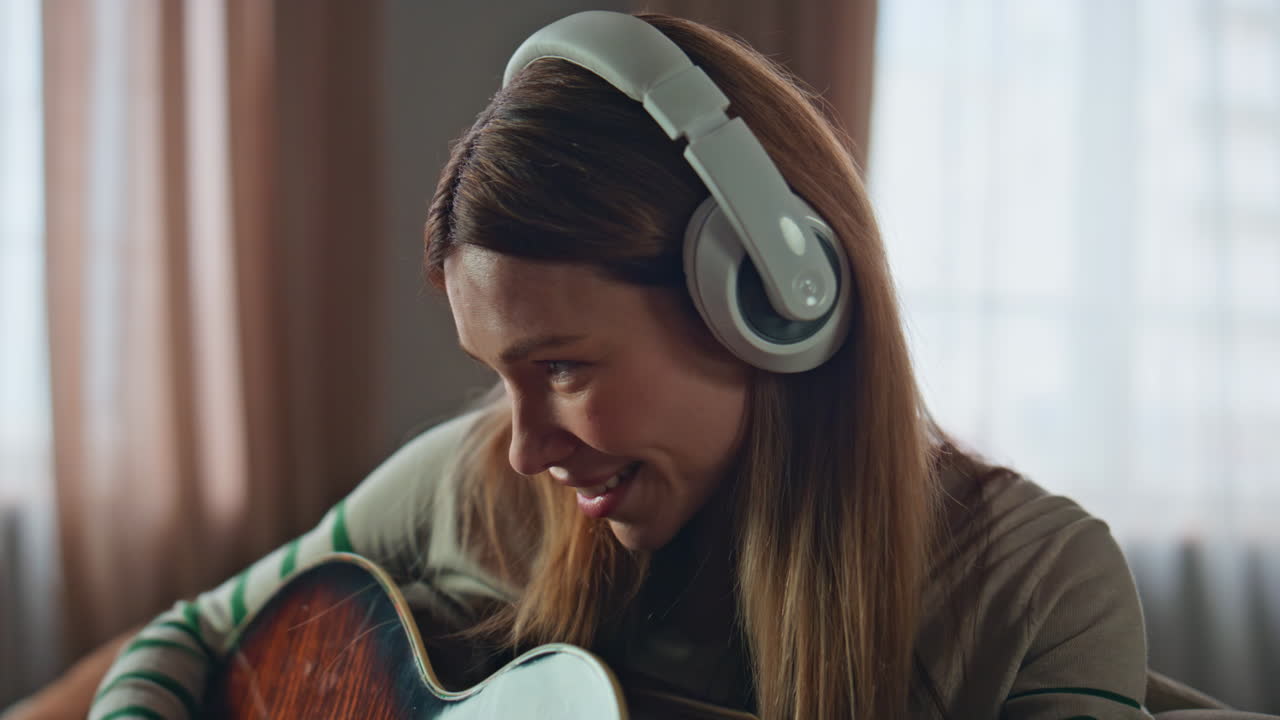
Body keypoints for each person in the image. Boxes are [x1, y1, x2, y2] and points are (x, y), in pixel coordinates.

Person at [8, 11, 1150, 720]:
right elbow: (192, 636)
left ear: (769, 303)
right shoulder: (471, 490)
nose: (519, 445)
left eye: (559, 367)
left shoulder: (1034, 593)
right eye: (498, 374)